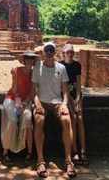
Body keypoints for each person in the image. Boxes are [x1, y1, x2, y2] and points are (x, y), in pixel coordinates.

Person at [31, 42, 77, 178]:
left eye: (52, 50)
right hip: (42, 101)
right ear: (44, 52)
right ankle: (40, 160)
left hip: (57, 102)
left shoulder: (61, 68)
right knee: (38, 120)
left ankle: (68, 161)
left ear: (55, 52)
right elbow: (33, 91)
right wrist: (37, 103)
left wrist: (64, 104)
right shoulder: (37, 68)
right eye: (47, 50)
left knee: (67, 120)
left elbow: (65, 90)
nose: (49, 53)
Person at [1, 50, 40, 167]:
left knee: (27, 119)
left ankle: (29, 152)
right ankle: (5, 152)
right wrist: (15, 77)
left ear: (33, 61)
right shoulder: (17, 70)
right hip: (12, 99)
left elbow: (33, 92)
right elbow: (14, 90)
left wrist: (24, 103)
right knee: (12, 120)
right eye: (27, 58)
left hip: (25, 101)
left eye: (31, 58)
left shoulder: (35, 73)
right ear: (24, 60)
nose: (29, 60)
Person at [58, 44, 89, 166]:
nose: (70, 54)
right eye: (67, 52)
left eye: (71, 52)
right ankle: (74, 149)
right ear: (64, 53)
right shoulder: (60, 66)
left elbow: (78, 83)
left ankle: (83, 151)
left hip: (74, 93)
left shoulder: (77, 65)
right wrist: (72, 100)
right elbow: (63, 86)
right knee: (73, 118)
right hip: (65, 94)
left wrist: (78, 98)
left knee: (80, 118)